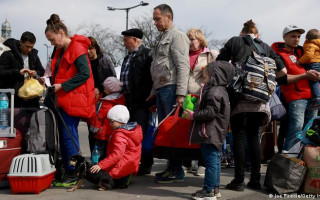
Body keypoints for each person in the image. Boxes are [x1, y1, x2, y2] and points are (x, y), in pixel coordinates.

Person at [216, 20, 287, 191]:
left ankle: (239, 181)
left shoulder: (234, 41)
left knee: (239, 137)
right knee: (254, 137)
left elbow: (220, 64)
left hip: (239, 96)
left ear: (242, 33)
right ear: (257, 34)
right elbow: (283, 72)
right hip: (260, 100)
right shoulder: (266, 47)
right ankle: (255, 180)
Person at [45, 13, 95, 186]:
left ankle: (74, 172)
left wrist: (62, 86)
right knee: (66, 137)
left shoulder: (77, 48)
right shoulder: (62, 50)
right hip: (64, 99)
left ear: (60, 33)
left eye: (52, 39)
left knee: (69, 137)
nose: (52, 43)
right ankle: (69, 169)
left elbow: (85, 74)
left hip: (71, 99)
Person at [149, 4, 190, 183]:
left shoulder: (178, 36)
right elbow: (157, 67)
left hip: (172, 89)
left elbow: (183, 66)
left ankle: (176, 169)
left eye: (158, 19)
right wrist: (153, 90)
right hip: (162, 89)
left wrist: (181, 93)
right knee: (166, 131)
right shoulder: (162, 37)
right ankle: (171, 167)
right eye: (154, 19)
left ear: (169, 17)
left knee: (172, 130)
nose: (155, 23)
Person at [183, 61, 234, 200]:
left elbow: (211, 112)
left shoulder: (214, 90)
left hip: (209, 131)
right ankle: (214, 188)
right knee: (215, 161)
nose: (203, 81)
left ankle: (209, 190)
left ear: (215, 76)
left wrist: (193, 115)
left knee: (211, 162)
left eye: (205, 77)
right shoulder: (221, 90)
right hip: (215, 131)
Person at [271, 25, 319, 152]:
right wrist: (305, 75)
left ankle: (305, 162)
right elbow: (282, 79)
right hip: (296, 97)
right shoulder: (277, 54)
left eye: (298, 36)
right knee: (296, 128)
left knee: (310, 131)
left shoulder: (303, 51)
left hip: (313, 96)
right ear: (284, 37)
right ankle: (288, 161)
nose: (296, 39)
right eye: (293, 36)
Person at [120, 28, 154, 176]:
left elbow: (150, 78)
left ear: (135, 40)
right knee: (130, 133)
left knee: (142, 132)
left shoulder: (147, 54)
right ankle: (134, 162)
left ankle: (146, 164)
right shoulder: (128, 57)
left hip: (142, 101)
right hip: (128, 101)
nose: (124, 43)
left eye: (126, 39)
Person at [185, 28, 219, 176]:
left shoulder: (211, 54)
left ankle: (203, 165)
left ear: (200, 39)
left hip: (203, 96)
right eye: (188, 39)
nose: (190, 42)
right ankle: (186, 162)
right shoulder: (183, 55)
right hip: (187, 97)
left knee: (203, 131)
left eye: (192, 39)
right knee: (186, 130)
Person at [90, 105, 143, 189]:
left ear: (119, 121)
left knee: (98, 178)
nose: (110, 124)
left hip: (121, 168)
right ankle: (126, 177)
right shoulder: (133, 130)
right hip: (129, 165)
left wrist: (101, 165)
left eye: (112, 121)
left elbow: (117, 155)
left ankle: (120, 181)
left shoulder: (120, 134)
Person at [0, 31, 45, 108]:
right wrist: (18, 72)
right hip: (13, 98)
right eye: (27, 46)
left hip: (31, 98)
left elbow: (41, 71)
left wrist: (35, 73)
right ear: (21, 42)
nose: (29, 50)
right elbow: (1, 72)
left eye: (31, 47)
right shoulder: (8, 55)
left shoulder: (34, 56)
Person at [87, 36, 116, 153]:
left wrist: (100, 89)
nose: (89, 52)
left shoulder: (105, 60)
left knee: (104, 130)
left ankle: (104, 156)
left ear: (96, 48)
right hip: (90, 99)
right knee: (92, 130)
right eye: (86, 49)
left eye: (91, 48)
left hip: (105, 98)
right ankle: (94, 156)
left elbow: (113, 80)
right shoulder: (85, 61)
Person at [88, 77, 125, 161]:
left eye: (105, 89)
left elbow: (99, 117)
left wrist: (93, 129)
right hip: (112, 131)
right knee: (109, 151)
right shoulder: (121, 99)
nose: (104, 90)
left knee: (99, 152)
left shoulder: (107, 103)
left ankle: (96, 167)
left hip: (102, 132)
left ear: (109, 90)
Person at [299, 29, 320, 109]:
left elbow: (309, 55)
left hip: (312, 64)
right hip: (318, 63)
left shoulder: (311, 44)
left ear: (307, 37)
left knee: (313, 80)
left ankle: (317, 101)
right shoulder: (318, 44)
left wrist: (300, 61)